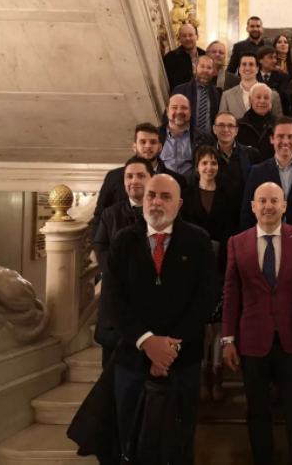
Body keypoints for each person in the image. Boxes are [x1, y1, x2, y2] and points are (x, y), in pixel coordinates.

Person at [103, 174, 220, 464]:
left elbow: (205, 298)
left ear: (178, 204)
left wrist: (168, 349)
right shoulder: (122, 240)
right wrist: (147, 342)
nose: (156, 202)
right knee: (131, 441)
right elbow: (113, 299)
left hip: (181, 359)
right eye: (151, 195)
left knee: (179, 443)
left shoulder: (198, 240)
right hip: (132, 358)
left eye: (165, 196)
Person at [223, 182, 292, 465]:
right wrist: (228, 338)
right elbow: (232, 293)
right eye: (262, 201)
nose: (268, 206)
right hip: (252, 340)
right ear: (253, 206)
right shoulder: (236, 242)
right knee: (257, 410)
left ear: (284, 206)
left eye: (274, 201)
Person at [181, 146, 239, 403]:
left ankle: (216, 374)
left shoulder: (229, 195)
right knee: (199, 324)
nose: (209, 167)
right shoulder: (186, 195)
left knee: (218, 324)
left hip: (223, 265)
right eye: (204, 163)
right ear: (197, 167)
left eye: (213, 163)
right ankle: (203, 374)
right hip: (194, 267)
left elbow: (233, 229)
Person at [93, 157, 153, 367]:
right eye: (129, 176)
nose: (134, 181)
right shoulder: (110, 214)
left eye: (140, 175)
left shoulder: (161, 212)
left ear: (151, 179)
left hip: (149, 306)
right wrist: (116, 274)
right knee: (111, 373)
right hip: (115, 302)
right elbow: (101, 246)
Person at [93, 122, 186, 236]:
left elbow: (183, 218)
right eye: (143, 142)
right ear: (134, 147)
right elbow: (100, 215)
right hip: (120, 242)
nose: (148, 146)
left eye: (153, 142)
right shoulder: (113, 177)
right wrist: (99, 243)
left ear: (160, 147)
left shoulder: (177, 180)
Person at [240, 117, 292, 230]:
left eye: (290, 137)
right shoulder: (257, 172)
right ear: (272, 139)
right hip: (266, 236)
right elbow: (247, 213)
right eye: (280, 136)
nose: (285, 142)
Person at [159, 94, 215, 184]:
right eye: (174, 108)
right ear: (167, 111)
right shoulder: (154, 136)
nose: (179, 112)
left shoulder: (206, 139)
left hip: (192, 189)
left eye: (184, 108)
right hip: (161, 189)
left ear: (190, 111)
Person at [212, 111, 263, 204]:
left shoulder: (252, 154)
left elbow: (259, 186)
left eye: (231, 126)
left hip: (244, 208)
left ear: (236, 131)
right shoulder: (206, 155)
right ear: (214, 129)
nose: (226, 129)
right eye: (221, 125)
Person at [220, 52, 284, 119]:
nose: (247, 68)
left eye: (251, 64)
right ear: (239, 69)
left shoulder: (273, 95)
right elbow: (221, 121)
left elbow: (279, 122)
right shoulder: (227, 96)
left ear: (257, 69)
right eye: (244, 64)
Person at [169, 55, 221, 133]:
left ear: (213, 72)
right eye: (202, 66)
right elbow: (168, 115)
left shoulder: (218, 93)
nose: (205, 70)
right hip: (184, 136)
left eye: (209, 68)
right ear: (195, 69)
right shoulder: (180, 90)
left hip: (209, 138)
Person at [237, 84, 277, 161]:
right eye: (258, 97)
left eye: (266, 98)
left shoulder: (279, 125)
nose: (262, 101)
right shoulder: (239, 125)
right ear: (250, 100)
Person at [163, 23, 206, 90]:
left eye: (190, 35)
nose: (187, 38)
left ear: (197, 37)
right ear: (179, 38)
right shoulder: (170, 58)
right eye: (184, 36)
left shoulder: (206, 56)